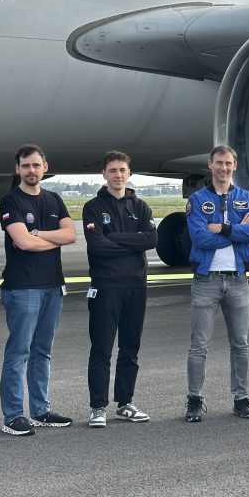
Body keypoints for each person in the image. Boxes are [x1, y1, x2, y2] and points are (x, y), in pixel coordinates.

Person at [0, 144, 77, 436]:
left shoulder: (54, 199)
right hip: (23, 288)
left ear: (45, 167)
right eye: (26, 165)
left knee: (42, 351)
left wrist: (40, 234)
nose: (32, 170)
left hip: (53, 286)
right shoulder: (10, 201)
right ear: (17, 169)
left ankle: (40, 410)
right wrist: (51, 239)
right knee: (19, 351)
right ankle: (13, 415)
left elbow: (71, 235)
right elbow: (23, 243)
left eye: (36, 165)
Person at [184, 145, 249, 421]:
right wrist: (237, 232)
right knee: (199, 345)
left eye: (228, 163)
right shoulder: (197, 199)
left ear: (235, 166)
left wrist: (224, 228)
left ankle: (241, 398)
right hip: (206, 280)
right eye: (219, 163)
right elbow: (200, 238)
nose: (224, 168)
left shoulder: (247, 198)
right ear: (210, 165)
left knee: (240, 344)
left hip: (238, 279)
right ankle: (194, 399)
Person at [82, 151, 157, 428]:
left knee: (130, 348)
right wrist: (132, 241)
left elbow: (150, 239)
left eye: (122, 170)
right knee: (101, 348)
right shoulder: (92, 207)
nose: (118, 175)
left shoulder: (141, 207)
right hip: (105, 288)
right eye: (113, 170)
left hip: (136, 287)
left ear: (129, 173)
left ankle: (124, 403)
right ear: (104, 174)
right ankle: (98, 407)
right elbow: (97, 246)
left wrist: (113, 237)